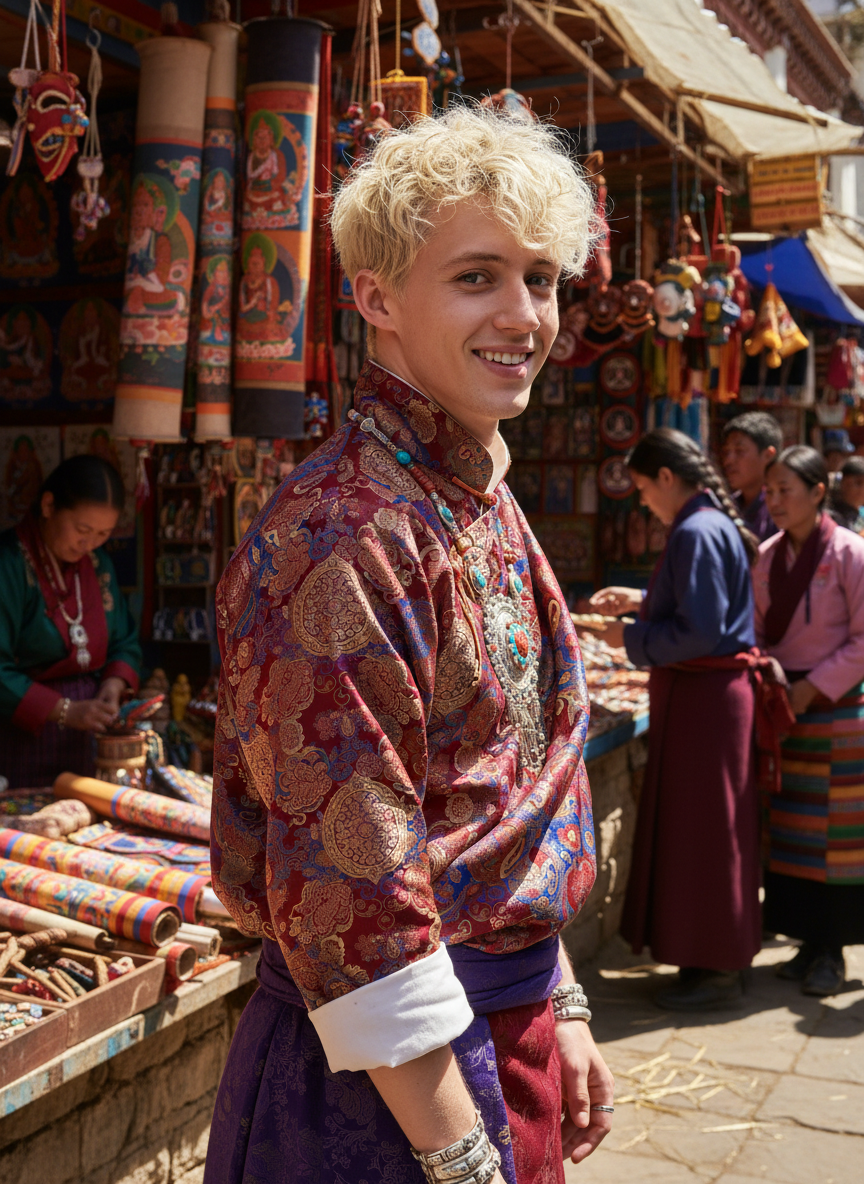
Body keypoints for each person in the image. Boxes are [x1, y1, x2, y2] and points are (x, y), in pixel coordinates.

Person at [205, 107, 614, 1184]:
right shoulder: (344, 534)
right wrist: (461, 1154)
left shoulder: (473, 493)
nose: (526, 315)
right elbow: (352, 895)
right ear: (378, 297)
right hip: (387, 1095)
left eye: (543, 277)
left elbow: (492, 789)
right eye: (478, 276)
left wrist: (556, 996)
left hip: (496, 1037)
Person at [590, 428, 761, 1010]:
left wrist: (630, 638)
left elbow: (701, 630)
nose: (641, 501)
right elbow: (699, 607)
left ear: (666, 477)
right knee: (705, 828)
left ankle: (714, 968)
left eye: (642, 488)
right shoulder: (707, 524)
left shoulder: (696, 529)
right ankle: (705, 959)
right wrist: (640, 601)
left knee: (704, 832)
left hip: (707, 701)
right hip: (707, 698)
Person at [755, 446, 864, 996]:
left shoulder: (850, 553)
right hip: (787, 708)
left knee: (837, 840)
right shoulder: (769, 555)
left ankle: (834, 951)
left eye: (785, 490)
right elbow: (756, 630)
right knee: (791, 831)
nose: (773, 501)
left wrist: (811, 686)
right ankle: (804, 941)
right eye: (769, 491)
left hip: (838, 710)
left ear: (820, 492)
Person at [0, 455, 141, 789]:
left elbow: (125, 640)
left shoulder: (97, 562)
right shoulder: (8, 563)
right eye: (82, 530)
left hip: (89, 737)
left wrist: (112, 686)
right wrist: (63, 711)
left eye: (103, 533)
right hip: (22, 737)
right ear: (48, 505)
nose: (89, 543)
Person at [720, 410, 782, 543]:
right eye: (726, 452)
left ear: (768, 455)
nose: (728, 461)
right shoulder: (726, 505)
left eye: (739, 451)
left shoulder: (780, 509)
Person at [827, 454, 864, 534]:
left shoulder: (861, 513)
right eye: (858, 483)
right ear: (843, 484)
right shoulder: (832, 517)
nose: (862, 489)